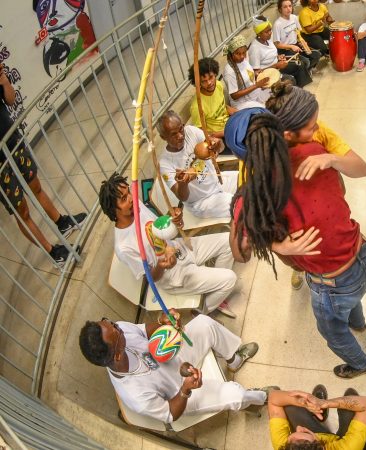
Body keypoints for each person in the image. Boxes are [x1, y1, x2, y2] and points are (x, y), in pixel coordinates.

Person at [230, 82, 366, 378]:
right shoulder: (313, 149)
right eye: (310, 125)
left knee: (332, 331)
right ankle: (358, 322)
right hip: (362, 252)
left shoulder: (254, 192)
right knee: (354, 299)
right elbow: (342, 188)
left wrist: (277, 246)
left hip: (332, 283)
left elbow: (240, 251)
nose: (317, 128)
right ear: (284, 133)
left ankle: (361, 363)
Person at [78, 312, 265, 424]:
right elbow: (170, 413)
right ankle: (261, 398)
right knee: (236, 395)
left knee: (204, 324)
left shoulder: (117, 329)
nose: (117, 326)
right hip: (180, 394)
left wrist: (163, 323)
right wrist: (185, 389)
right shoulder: (134, 394)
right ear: (117, 355)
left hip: (174, 359)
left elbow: (144, 330)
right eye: (116, 331)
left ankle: (234, 360)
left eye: (109, 322)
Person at [100, 172, 238, 318]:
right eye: (123, 199)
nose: (131, 199)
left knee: (230, 241)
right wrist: (162, 265)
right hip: (171, 275)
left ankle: (215, 289)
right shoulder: (124, 247)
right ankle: (202, 311)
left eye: (128, 192)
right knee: (230, 279)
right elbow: (151, 278)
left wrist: (173, 219)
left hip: (180, 247)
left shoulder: (135, 204)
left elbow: (160, 228)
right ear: (113, 210)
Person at [0, 62, 86, 267]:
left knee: (36, 186)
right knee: (22, 211)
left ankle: (62, 222)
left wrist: (3, 80)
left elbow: (10, 100)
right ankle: (52, 252)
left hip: (13, 142)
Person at [156, 111, 238, 220]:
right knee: (241, 206)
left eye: (181, 129)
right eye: (173, 134)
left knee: (252, 178)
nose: (180, 136)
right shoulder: (165, 163)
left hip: (218, 180)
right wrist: (183, 183)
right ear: (163, 137)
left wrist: (218, 145)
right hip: (202, 201)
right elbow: (182, 197)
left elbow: (218, 149)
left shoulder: (191, 131)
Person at [268, 386, 366, 449]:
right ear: (322, 447)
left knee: (290, 407)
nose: (298, 427)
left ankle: (319, 415)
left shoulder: (283, 446)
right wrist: (325, 403)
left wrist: (303, 402)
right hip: (342, 443)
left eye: (290, 437)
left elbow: (273, 398)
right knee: (350, 409)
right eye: (305, 432)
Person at [249, 17, 310, 87]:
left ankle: (298, 91)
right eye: (267, 32)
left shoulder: (268, 39)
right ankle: (294, 92)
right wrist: (275, 66)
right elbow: (257, 73)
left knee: (300, 65)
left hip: (277, 66)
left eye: (270, 30)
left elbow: (270, 55)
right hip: (269, 74)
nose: (270, 33)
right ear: (259, 33)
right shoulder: (255, 48)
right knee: (290, 80)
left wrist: (278, 57)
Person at [187, 58, 236, 144]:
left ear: (215, 74)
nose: (209, 83)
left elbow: (223, 107)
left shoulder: (218, 85)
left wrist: (240, 113)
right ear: (198, 83)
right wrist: (223, 133)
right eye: (204, 81)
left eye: (211, 77)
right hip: (218, 137)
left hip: (230, 125)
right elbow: (201, 133)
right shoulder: (197, 106)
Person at [273, 0, 323, 74]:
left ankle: (306, 70)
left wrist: (302, 41)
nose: (288, 9)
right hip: (285, 50)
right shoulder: (277, 24)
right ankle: (304, 71)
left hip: (296, 45)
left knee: (316, 55)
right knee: (306, 62)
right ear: (280, 9)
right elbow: (277, 44)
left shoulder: (294, 18)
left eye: (290, 6)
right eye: (285, 7)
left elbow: (298, 32)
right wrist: (291, 47)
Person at [223, 35, 270, 110]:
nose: (242, 56)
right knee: (264, 109)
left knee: (276, 92)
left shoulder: (243, 60)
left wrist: (257, 75)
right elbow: (234, 95)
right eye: (238, 54)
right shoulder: (230, 71)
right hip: (242, 103)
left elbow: (246, 76)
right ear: (231, 54)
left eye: (244, 53)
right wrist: (256, 86)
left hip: (254, 94)